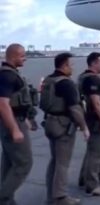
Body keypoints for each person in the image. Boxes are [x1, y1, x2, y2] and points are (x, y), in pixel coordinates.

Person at [40, 52, 90, 205]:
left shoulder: (49, 80)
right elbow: (75, 108)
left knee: (54, 161)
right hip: (63, 124)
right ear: (64, 66)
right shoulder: (66, 83)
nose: (72, 68)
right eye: (71, 65)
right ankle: (61, 197)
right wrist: (84, 127)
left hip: (50, 122)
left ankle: (51, 195)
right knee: (62, 163)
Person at [0, 44, 33, 205]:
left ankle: (7, 200)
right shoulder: (8, 76)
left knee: (9, 162)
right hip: (11, 124)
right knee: (23, 163)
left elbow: (13, 103)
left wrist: (24, 118)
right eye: (22, 56)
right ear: (13, 56)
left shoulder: (9, 74)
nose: (24, 58)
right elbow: (2, 104)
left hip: (15, 120)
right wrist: (15, 129)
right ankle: (3, 197)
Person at [78, 52, 100, 196]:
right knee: (96, 153)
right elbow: (96, 102)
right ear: (94, 63)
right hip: (95, 119)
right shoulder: (93, 80)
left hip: (87, 117)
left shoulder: (82, 77)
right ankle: (92, 186)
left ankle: (83, 179)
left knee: (91, 150)